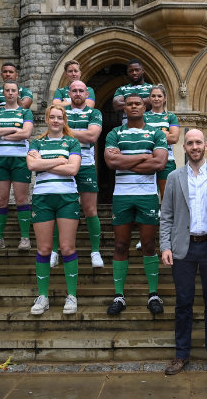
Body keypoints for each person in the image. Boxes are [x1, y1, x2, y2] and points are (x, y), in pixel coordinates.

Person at [160, 129, 207, 377]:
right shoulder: (173, 177)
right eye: (190, 143)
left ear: (206, 146)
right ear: (184, 147)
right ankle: (181, 354)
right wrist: (165, 245)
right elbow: (167, 215)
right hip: (184, 247)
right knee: (183, 303)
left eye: (198, 142)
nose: (194, 146)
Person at [104, 94, 169, 315]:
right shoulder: (115, 133)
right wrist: (144, 157)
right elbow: (111, 162)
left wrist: (125, 159)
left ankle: (153, 294)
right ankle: (119, 296)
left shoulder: (156, 132)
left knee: (149, 246)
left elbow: (159, 163)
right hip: (121, 195)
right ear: (124, 108)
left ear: (145, 107)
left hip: (147, 195)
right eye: (130, 104)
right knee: (121, 246)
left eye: (137, 104)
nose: (133, 106)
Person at [27, 105, 83, 315]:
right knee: (43, 249)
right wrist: (60, 160)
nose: (56, 121)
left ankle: (72, 296)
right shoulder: (36, 142)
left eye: (60, 117)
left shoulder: (72, 142)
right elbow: (31, 167)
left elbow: (73, 169)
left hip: (67, 197)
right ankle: (43, 297)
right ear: (47, 119)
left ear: (64, 120)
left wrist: (43, 162)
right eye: (53, 117)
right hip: (42, 197)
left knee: (67, 248)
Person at [50, 81, 104, 268]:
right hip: (62, 163)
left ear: (87, 93)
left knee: (90, 210)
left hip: (86, 164)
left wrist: (64, 130)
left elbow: (92, 136)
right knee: (58, 209)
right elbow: (53, 132)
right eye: (74, 90)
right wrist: (78, 132)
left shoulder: (94, 113)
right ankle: (54, 251)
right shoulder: (61, 113)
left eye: (82, 90)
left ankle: (95, 251)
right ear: (69, 93)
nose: (78, 93)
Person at [0, 80, 34, 251]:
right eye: (8, 90)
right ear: (3, 93)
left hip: (20, 158)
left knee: (22, 199)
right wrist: (14, 130)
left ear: (18, 92)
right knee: (1, 201)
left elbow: (26, 133)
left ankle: (25, 238)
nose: (11, 93)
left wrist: (2, 134)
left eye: (14, 90)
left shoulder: (25, 112)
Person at [143, 84, 180, 199]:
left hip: (167, 161)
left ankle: (166, 218)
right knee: (149, 196)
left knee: (168, 197)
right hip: (148, 159)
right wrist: (164, 134)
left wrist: (151, 134)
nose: (156, 98)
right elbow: (141, 139)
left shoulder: (171, 117)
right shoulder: (143, 117)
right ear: (149, 98)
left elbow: (174, 138)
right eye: (153, 96)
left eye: (159, 96)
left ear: (165, 98)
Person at [112, 59, 153, 123]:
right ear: (127, 72)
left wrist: (128, 102)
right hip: (127, 128)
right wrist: (143, 101)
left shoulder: (152, 88)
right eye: (131, 71)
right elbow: (117, 106)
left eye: (137, 70)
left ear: (142, 70)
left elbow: (152, 103)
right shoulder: (122, 89)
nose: (134, 73)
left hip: (148, 126)